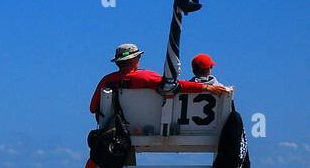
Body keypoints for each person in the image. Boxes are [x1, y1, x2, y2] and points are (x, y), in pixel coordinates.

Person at [89, 43, 229, 116]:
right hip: (150, 126)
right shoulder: (144, 77)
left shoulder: (106, 80)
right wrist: (206, 87)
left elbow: (93, 108)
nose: (139, 59)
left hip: (116, 132)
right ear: (133, 60)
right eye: (138, 57)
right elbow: (173, 85)